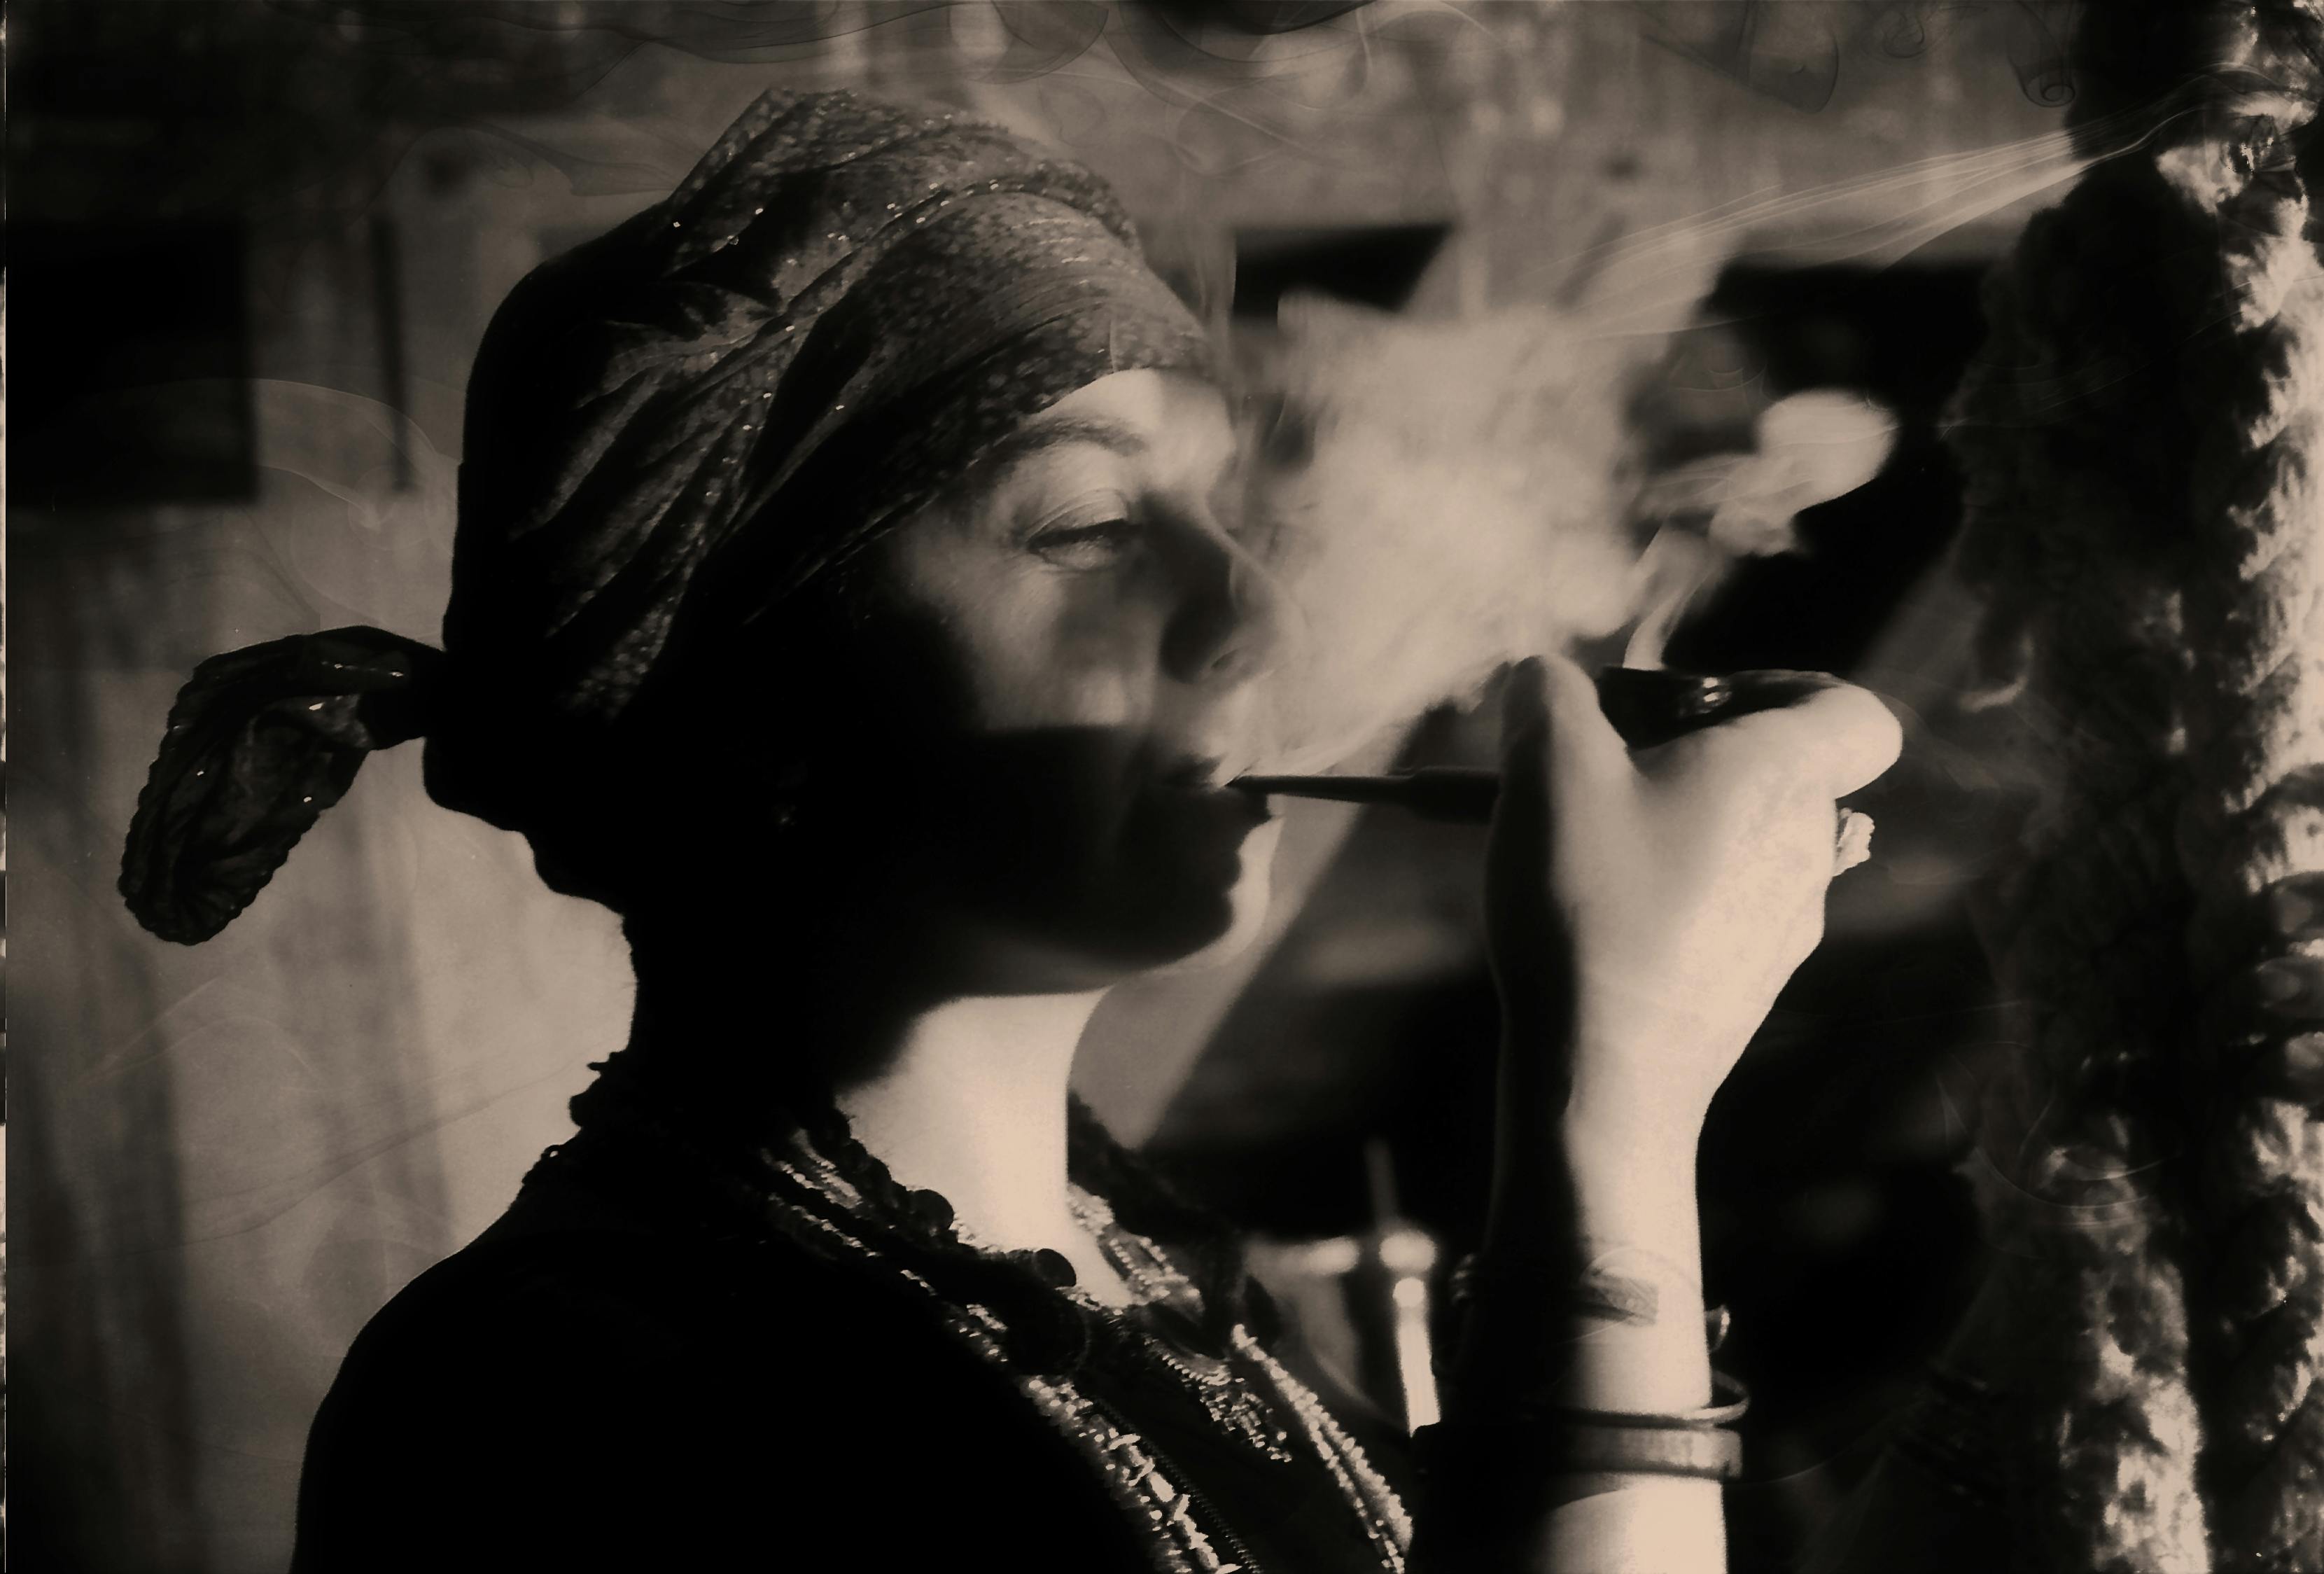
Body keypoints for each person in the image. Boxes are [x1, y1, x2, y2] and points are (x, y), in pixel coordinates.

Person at [121, 88, 1904, 1571]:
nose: (1255, 610)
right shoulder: (553, 1400)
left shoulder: (1149, 1282)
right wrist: (1616, 1104)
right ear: (765, 705)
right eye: (1091, 527)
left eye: (1222, 509)